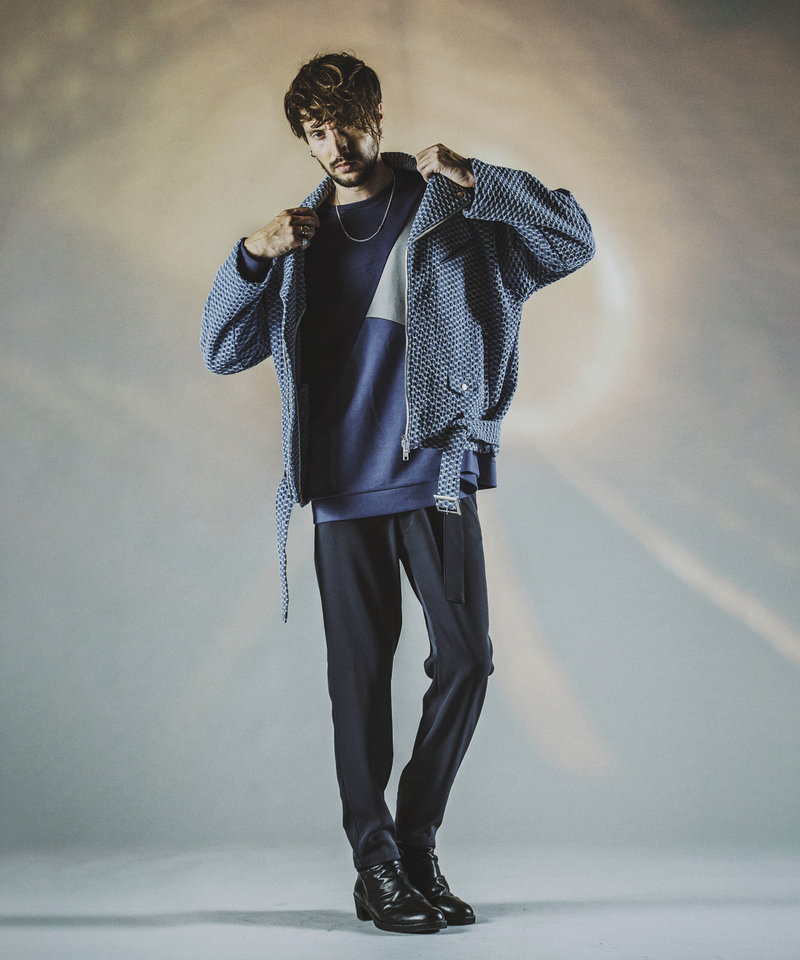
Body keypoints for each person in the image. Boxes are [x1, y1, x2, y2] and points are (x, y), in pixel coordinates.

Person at [201, 52, 594, 934]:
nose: (336, 145)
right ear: (305, 140)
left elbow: (572, 242)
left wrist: (481, 178)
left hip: (432, 473)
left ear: (376, 117)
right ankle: (375, 865)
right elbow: (221, 350)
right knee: (359, 683)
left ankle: (414, 843)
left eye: (348, 124)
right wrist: (253, 254)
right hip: (341, 486)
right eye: (317, 132)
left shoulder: (449, 207)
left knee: (466, 660)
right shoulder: (299, 239)